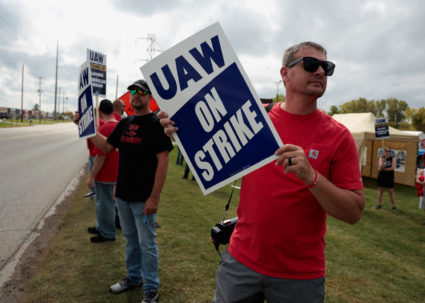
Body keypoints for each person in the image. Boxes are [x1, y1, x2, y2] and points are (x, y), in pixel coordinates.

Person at [160, 41, 365, 302]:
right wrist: (179, 128)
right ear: (284, 74)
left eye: (327, 67)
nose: (321, 72)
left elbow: (354, 212)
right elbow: (207, 135)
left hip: (300, 276)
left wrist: (312, 177)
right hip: (240, 262)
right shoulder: (255, 119)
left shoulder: (339, 137)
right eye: (312, 65)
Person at [84, 79, 173, 303]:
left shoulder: (157, 123)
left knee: (147, 244)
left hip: (143, 199)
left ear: (150, 97)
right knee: (131, 241)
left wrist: (154, 197)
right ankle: (134, 278)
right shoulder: (125, 122)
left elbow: (163, 162)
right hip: (122, 196)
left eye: (142, 92)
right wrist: (86, 130)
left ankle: (151, 289)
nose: (137, 95)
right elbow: (105, 147)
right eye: (133, 91)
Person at [86, 99, 119, 242]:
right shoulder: (119, 125)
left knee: (104, 205)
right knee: (106, 203)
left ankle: (108, 233)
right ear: (112, 109)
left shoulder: (104, 129)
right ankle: (101, 226)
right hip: (116, 171)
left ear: (99, 111)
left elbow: (100, 156)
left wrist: (92, 176)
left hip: (105, 173)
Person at [376, 147, 397, 211]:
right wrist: (383, 162)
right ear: (384, 152)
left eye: (388, 151)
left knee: (391, 192)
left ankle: (393, 206)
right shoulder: (381, 158)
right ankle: (379, 204)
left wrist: (385, 169)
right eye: (386, 151)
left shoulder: (393, 158)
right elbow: (380, 168)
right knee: (380, 191)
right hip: (382, 176)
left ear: (390, 152)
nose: (387, 152)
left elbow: (393, 167)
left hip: (389, 177)